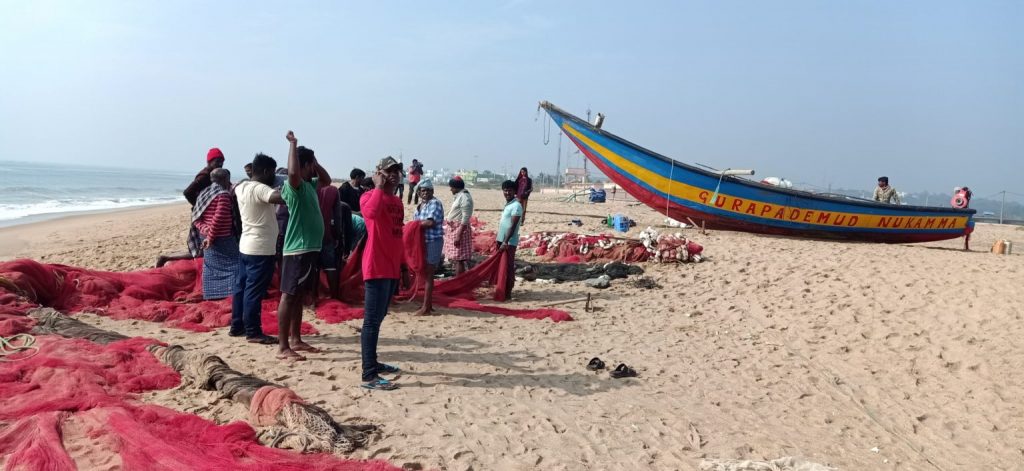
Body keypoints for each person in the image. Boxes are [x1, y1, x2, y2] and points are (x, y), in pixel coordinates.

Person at [276, 131, 331, 361]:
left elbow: (327, 181)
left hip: (310, 249)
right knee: (289, 295)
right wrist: (294, 146)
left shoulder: (311, 185)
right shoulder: (295, 186)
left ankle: (296, 339)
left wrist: (315, 162)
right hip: (297, 249)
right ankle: (283, 346)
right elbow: (292, 172)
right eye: (309, 165)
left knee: (299, 296)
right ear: (304, 166)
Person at [358, 156, 405, 391]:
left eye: (397, 171)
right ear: (380, 173)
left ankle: (373, 363)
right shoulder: (369, 196)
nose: (395, 174)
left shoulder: (397, 202)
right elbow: (372, 214)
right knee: (371, 322)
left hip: (391, 267)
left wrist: (402, 266)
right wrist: (377, 186)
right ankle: (368, 375)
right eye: (390, 171)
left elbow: (398, 234)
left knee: (380, 317)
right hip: (375, 267)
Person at [230, 154, 284, 345]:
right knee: (253, 291)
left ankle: (237, 325)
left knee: (241, 288)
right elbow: (279, 198)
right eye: (272, 173)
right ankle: (253, 331)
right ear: (267, 171)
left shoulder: (242, 187)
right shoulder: (261, 188)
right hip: (261, 249)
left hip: (245, 245)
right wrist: (291, 185)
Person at [192, 168, 240, 300]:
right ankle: (230, 293)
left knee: (211, 266)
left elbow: (195, 217)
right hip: (221, 238)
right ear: (225, 180)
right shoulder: (223, 195)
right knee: (235, 265)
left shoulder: (204, 193)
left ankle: (211, 294)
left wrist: (205, 230)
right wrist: (211, 236)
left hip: (206, 236)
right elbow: (219, 218)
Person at [413, 179, 444, 316]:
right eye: (422, 190)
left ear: (432, 191)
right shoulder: (420, 206)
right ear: (419, 192)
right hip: (423, 242)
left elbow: (430, 222)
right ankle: (427, 305)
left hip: (433, 241)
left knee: (429, 274)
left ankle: (426, 307)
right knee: (425, 273)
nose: (425, 193)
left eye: (427, 190)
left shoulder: (435, 204)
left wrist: (411, 227)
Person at [317, 182, 345, 299]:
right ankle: (334, 296)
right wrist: (338, 235)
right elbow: (337, 216)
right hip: (327, 234)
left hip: (309, 235)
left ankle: (313, 297)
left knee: (314, 267)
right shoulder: (333, 190)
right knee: (330, 266)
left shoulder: (307, 187)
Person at [496, 180, 524, 297]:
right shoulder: (508, 204)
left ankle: (507, 292)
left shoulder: (516, 205)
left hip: (509, 242)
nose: (507, 192)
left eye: (510, 190)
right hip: (501, 240)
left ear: (514, 192)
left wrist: (505, 241)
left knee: (508, 267)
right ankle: (502, 289)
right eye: (505, 190)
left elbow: (512, 226)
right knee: (502, 267)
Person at [443, 176, 474, 275]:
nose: (450, 189)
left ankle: (458, 279)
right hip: (454, 228)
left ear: (456, 187)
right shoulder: (460, 196)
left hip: (459, 229)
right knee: (457, 258)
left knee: (459, 258)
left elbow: (465, 218)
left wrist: (458, 235)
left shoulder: (465, 198)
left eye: (451, 187)